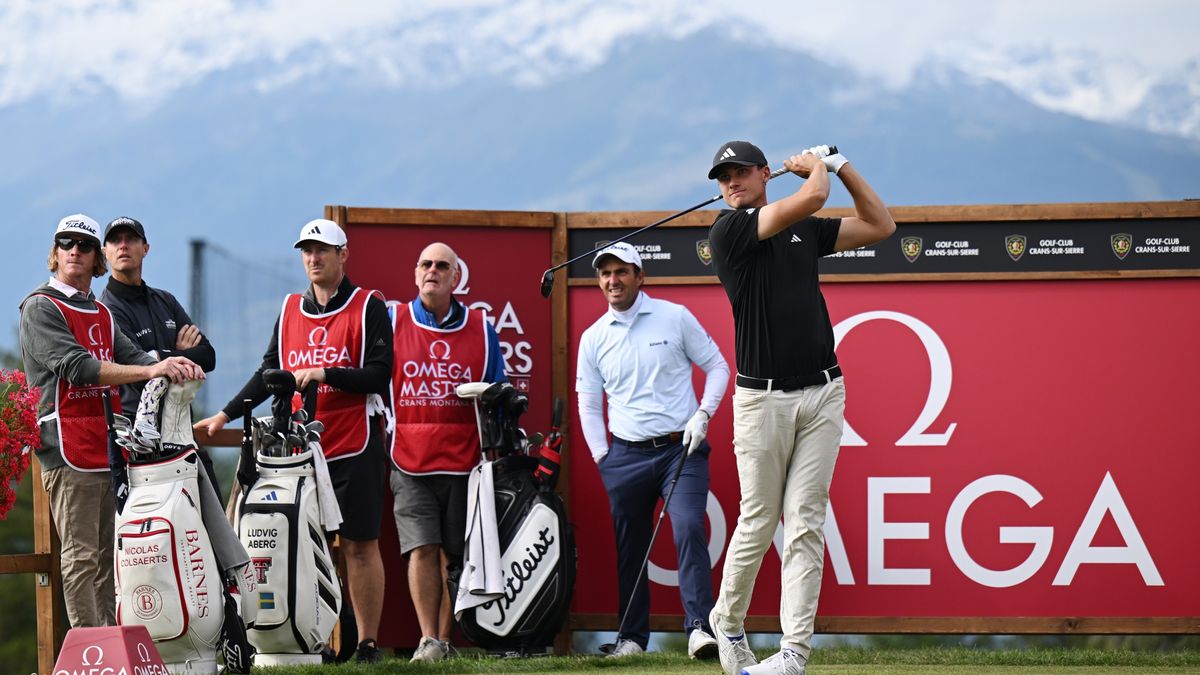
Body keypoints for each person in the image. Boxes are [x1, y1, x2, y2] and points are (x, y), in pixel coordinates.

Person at [704, 141, 896, 675]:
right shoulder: (729, 229)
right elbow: (811, 198)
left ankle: (793, 654)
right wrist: (815, 170)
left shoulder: (803, 231)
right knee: (760, 520)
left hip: (823, 392)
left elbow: (880, 225)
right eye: (723, 176)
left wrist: (841, 166)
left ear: (765, 174)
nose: (732, 182)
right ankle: (729, 620)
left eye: (741, 171)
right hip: (761, 400)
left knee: (807, 522)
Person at [194, 219, 393, 663]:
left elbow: (381, 374)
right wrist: (225, 414)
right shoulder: (289, 310)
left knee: (360, 545)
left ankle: (367, 644)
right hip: (299, 453)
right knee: (305, 544)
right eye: (307, 250)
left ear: (343, 255)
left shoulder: (368, 306)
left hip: (354, 443)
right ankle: (315, 639)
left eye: (323, 250)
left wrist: (327, 374)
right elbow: (270, 374)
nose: (314, 258)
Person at [19, 214, 206, 628]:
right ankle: (89, 653)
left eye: (83, 245)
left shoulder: (100, 311)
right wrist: (151, 371)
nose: (74, 250)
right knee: (82, 557)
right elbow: (79, 368)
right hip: (66, 450)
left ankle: (108, 649)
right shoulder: (39, 307)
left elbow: (135, 357)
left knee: (108, 556)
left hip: (107, 447)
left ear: (94, 259)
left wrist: (170, 362)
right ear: (54, 253)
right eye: (65, 243)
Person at [575, 241, 730, 659]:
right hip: (623, 457)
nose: (613, 281)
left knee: (689, 529)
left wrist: (703, 415)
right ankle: (631, 639)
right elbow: (588, 403)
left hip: (682, 448)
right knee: (631, 547)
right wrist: (601, 457)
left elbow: (718, 366)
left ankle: (699, 627)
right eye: (605, 274)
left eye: (622, 272)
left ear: (640, 276)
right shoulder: (593, 338)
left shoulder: (673, 317)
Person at [387, 242, 507, 662]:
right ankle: (427, 639)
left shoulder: (481, 327)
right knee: (421, 548)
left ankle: (444, 639)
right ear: (414, 273)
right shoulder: (393, 319)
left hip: (464, 461)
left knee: (454, 557)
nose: (432, 271)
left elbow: (499, 389)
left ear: (457, 277)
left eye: (442, 266)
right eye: (425, 264)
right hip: (410, 458)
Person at [98, 216, 220, 489]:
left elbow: (209, 356)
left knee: (211, 519)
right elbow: (137, 367)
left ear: (146, 248)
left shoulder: (165, 300)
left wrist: (162, 356)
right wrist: (178, 353)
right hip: (138, 435)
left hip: (181, 426)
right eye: (116, 240)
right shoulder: (104, 310)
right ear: (105, 251)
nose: (124, 245)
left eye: (131, 239)